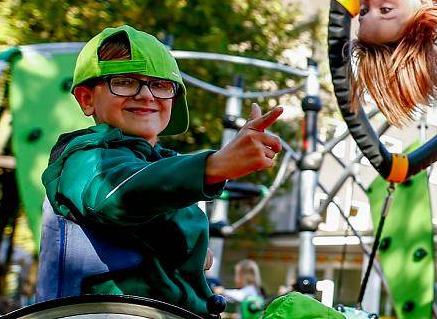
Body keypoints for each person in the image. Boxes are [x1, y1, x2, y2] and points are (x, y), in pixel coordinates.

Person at [36, 25, 283, 316]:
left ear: (173, 99)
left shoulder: (162, 163)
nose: (146, 95)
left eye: (160, 85)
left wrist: (192, 255)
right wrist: (213, 166)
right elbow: (122, 193)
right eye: (125, 81)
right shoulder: (84, 158)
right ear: (87, 99)